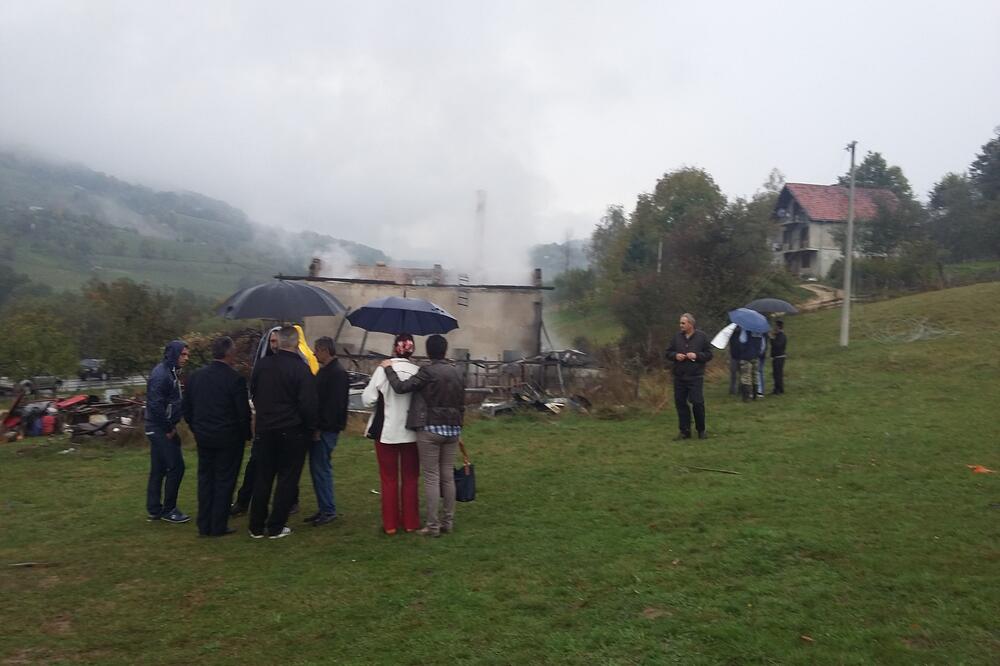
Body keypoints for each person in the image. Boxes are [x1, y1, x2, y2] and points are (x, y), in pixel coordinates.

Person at [381, 334, 465, 537]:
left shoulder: (427, 371)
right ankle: (448, 522)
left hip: (430, 429)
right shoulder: (456, 372)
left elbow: (401, 388)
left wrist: (388, 368)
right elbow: (462, 402)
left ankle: (433, 526)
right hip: (452, 429)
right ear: (445, 350)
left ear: (428, 351)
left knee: (431, 477)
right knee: (447, 477)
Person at [248, 326, 318, 539]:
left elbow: (254, 393)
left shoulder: (262, 365)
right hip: (292, 431)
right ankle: (276, 526)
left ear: (278, 341)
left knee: (263, 478)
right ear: (297, 343)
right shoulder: (301, 369)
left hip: (265, 429)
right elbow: (308, 404)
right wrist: (311, 428)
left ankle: (256, 526)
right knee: (287, 479)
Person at [182, 336, 251, 537]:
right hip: (229, 439)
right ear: (230, 353)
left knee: (205, 479)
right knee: (224, 481)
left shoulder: (195, 377)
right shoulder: (235, 379)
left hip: (204, 437)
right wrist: (246, 435)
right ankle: (218, 524)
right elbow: (242, 413)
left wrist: (196, 428)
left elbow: (187, 408)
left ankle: (204, 524)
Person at [363, 334, 421, 535]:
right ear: (412, 350)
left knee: (388, 479)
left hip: (386, 432)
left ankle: (390, 525)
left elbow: (367, 399)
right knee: (411, 478)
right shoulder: (418, 371)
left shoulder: (382, 370)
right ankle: (411, 522)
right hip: (412, 433)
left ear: (394, 347)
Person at [144, 340, 191, 523]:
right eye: (183, 354)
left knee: (158, 468)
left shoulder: (170, 372)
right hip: (159, 428)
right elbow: (155, 405)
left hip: (158, 426)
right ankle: (169, 509)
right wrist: (168, 428)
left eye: (187, 355)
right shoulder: (161, 374)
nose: (186, 358)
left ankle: (154, 509)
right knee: (177, 467)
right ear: (173, 354)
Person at [307, 336, 349, 527]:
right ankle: (323, 507)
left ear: (325, 350)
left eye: (316, 350)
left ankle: (328, 510)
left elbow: (333, 406)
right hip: (324, 428)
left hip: (326, 430)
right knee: (317, 469)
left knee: (321, 469)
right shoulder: (327, 371)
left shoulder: (336, 373)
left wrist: (320, 428)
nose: (314, 354)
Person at [664, 313, 713, 440]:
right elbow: (667, 353)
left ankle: (701, 430)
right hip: (679, 376)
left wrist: (696, 356)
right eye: (680, 323)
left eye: (683, 323)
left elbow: (709, 354)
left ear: (691, 324)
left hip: (695, 376)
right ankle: (684, 431)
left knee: (697, 403)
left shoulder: (701, 337)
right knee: (680, 403)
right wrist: (675, 356)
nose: (680, 326)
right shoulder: (676, 337)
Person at [734, 326, 765, 402]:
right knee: (755, 375)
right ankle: (755, 395)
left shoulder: (745, 330)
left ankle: (746, 397)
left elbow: (742, 340)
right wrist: (758, 353)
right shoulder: (759, 331)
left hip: (746, 356)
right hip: (756, 356)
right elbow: (763, 345)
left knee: (746, 376)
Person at [771, 320, 787, 395]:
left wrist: (772, 339)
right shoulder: (778, 335)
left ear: (778, 327)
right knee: (776, 374)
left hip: (779, 357)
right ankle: (777, 388)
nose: (774, 328)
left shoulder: (781, 336)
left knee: (778, 374)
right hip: (776, 357)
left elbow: (777, 346)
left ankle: (779, 389)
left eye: (775, 326)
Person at [756, 329, 768, 398]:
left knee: (759, 372)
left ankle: (760, 391)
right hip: (760, 355)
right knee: (758, 372)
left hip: (760, 356)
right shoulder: (764, 335)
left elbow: (763, 347)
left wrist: (758, 354)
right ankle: (759, 390)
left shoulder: (762, 336)